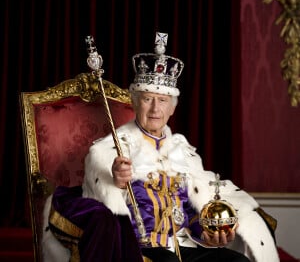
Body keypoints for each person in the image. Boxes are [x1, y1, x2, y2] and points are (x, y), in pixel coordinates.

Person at [43, 32, 280, 262]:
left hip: (183, 245)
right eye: (147, 99)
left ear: (172, 108)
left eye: (163, 101)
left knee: (236, 261)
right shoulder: (109, 151)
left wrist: (208, 235)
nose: (155, 109)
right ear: (135, 103)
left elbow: (190, 214)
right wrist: (114, 180)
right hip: (139, 247)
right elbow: (98, 206)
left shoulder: (184, 152)